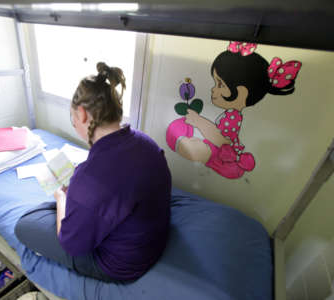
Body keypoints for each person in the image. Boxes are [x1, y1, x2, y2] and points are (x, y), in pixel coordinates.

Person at [15, 62, 172, 283]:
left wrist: (62, 199)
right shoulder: (146, 143)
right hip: (151, 240)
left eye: (73, 119)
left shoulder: (90, 178)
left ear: (82, 114)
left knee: (25, 224)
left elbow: (71, 245)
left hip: (122, 264)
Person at [167, 41, 302, 179]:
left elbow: (222, 140)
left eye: (220, 84)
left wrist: (199, 121)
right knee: (181, 137)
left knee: (187, 146)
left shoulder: (233, 117)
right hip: (218, 150)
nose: (214, 89)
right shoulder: (232, 115)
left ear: (241, 93)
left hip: (223, 157)